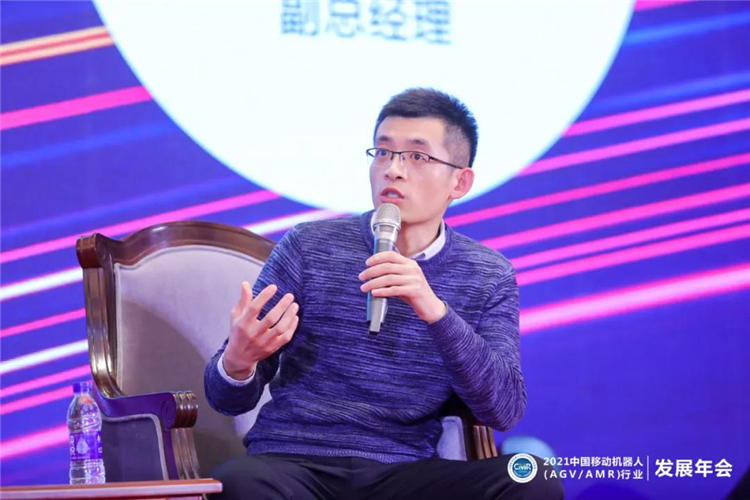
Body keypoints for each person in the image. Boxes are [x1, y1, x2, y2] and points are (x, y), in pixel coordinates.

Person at [204, 88, 564, 499]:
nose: (393, 170)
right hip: (296, 463)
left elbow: (503, 409)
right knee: (239, 481)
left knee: (530, 477)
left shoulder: (488, 274)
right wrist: (238, 362)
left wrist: (436, 311)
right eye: (383, 152)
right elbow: (225, 399)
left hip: (405, 472)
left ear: (460, 181)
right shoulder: (308, 246)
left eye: (417, 157)